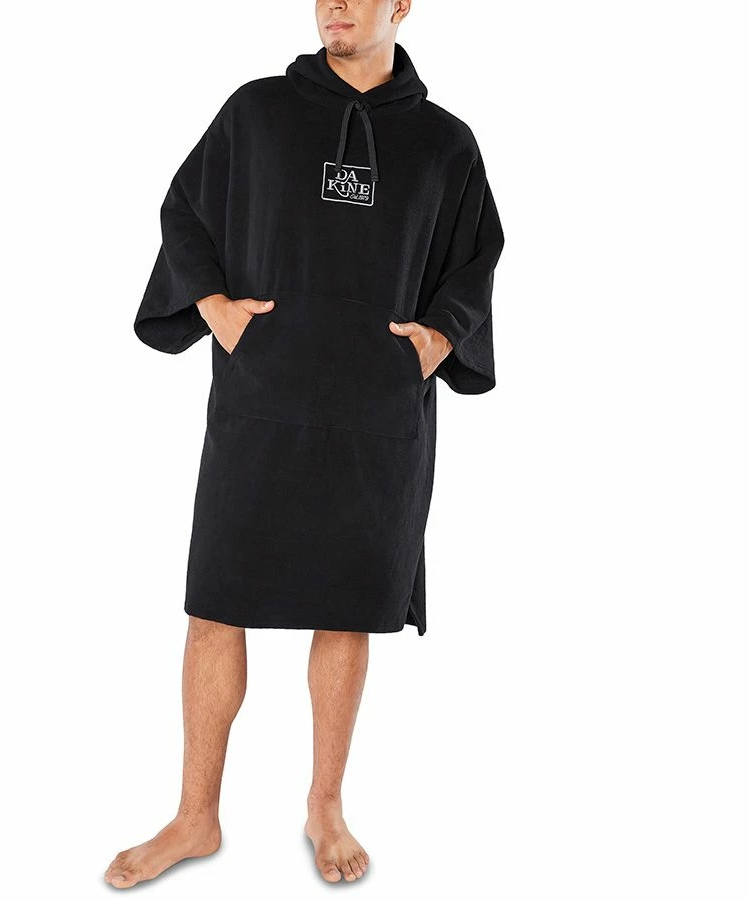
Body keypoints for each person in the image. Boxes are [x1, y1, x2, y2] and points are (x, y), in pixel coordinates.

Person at [106, 0, 504, 887]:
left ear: (401, 5)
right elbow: (184, 209)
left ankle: (325, 806)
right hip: (262, 402)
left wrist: (438, 339)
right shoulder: (256, 111)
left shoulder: (445, 144)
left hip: (376, 414)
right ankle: (195, 815)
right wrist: (214, 309)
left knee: (349, 608)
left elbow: (477, 256)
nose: (335, 4)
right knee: (217, 604)